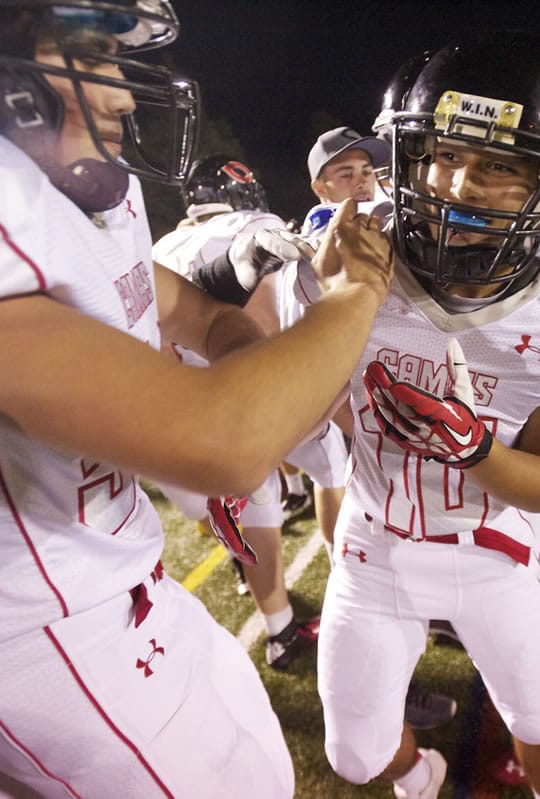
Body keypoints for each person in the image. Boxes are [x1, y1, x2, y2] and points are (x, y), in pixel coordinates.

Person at [0, 2, 393, 796]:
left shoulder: (74, 188)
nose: (121, 91)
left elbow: (198, 313)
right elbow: (222, 442)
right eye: (89, 51)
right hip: (37, 628)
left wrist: (250, 360)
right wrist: (352, 292)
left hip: (122, 579)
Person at [308, 32, 540, 799]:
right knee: (354, 755)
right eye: (444, 154)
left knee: (538, 714)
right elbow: (312, 410)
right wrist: (335, 304)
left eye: (499, 165)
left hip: (489, 550)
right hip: (370, 550)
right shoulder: (353, 264)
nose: (459, 183)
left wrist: (472, 448)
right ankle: (418, 776)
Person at [152, 154, 323, 670]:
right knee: (290, 495)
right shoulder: (255, 228)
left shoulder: (157, 248)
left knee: (236, 514)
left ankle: (240, 558)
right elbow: (266, 330)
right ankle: (282, 635)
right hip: (234, 413)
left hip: (154, 425)